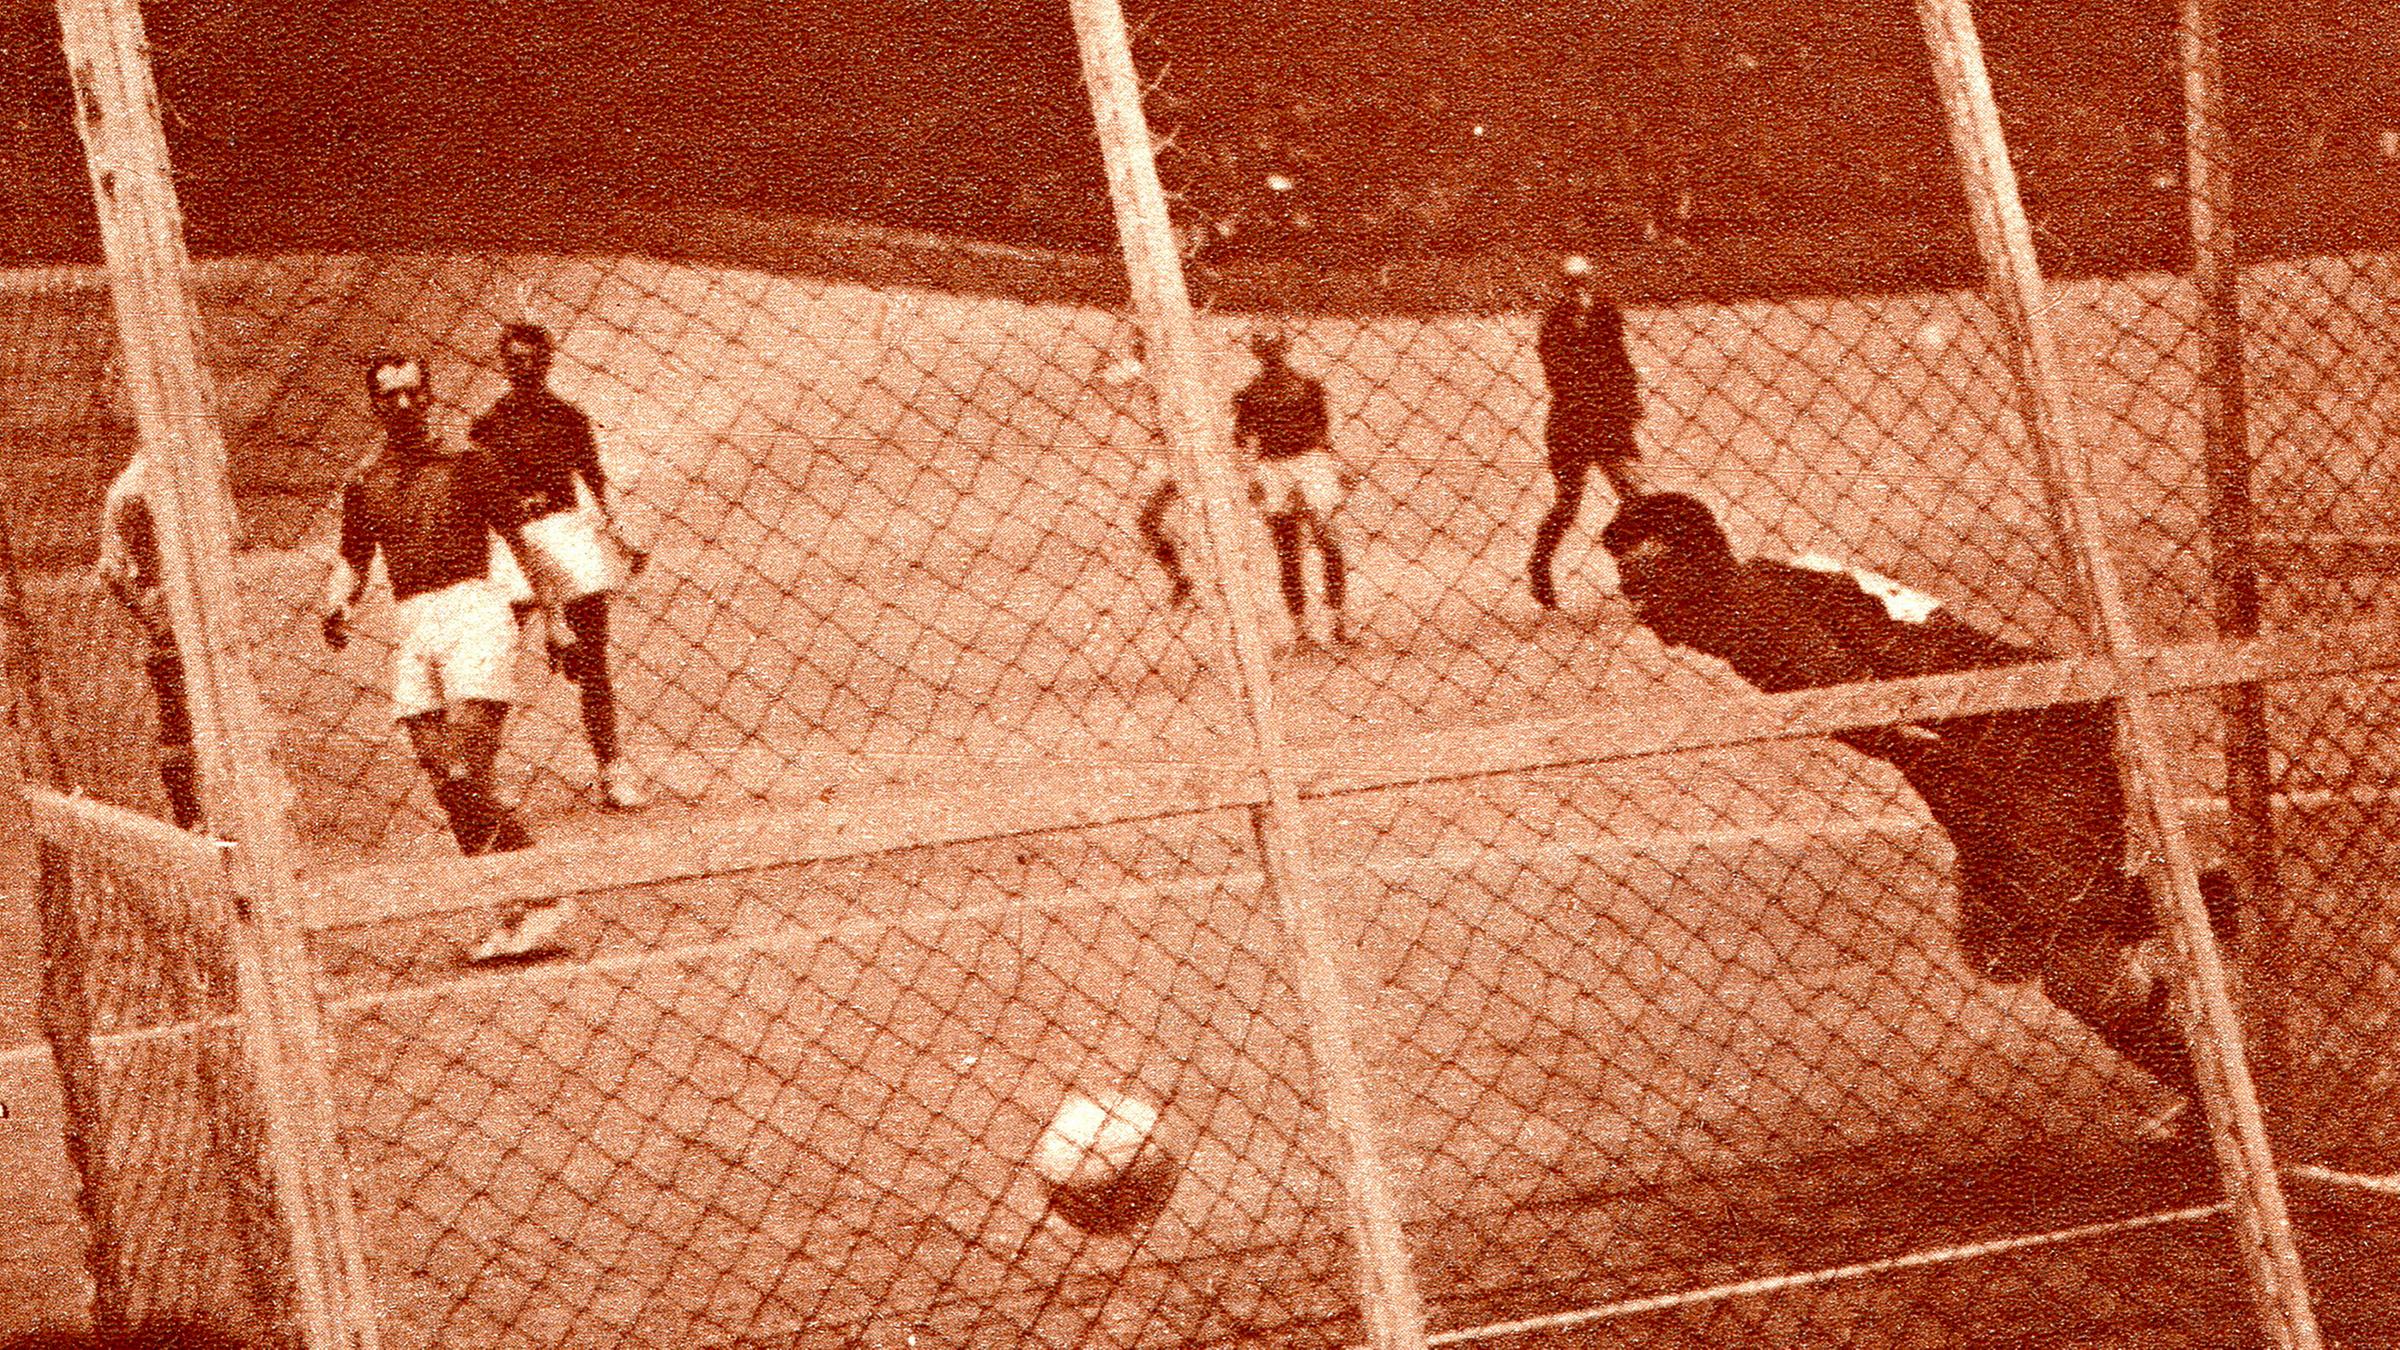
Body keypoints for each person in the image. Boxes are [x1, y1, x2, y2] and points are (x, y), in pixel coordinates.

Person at [1600, 492, 2238, 1138]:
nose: (1639, 606)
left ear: (1698, 568)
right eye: (1629, 588)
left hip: (2026, 747)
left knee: (2072, 966)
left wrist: (1994, 823)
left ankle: (2231, 1099)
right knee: (1999, 946)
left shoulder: (1755, 621)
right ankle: (2205, 905)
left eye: (1649, 584)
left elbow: (1897, 723)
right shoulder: (1760, 582)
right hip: (2018, 732)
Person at [323, 353, 573, 960]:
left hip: (474, 614)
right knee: (445, 780)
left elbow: (525, 544)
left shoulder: (468, 461)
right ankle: (513, 907)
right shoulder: (366, 481)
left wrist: (557, 621)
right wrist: (337, 601)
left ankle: (542, 893)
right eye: (390, 395)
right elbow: (354, 557)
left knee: (466, 767)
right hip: (414, 625)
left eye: (414, 392)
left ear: (429, 396)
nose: (404, 404)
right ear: (375, 405)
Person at [470, 323, 649, 811]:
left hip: (569, 539)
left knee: (593, 661)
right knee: (497, 657)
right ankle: (482, 780)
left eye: (531, 359)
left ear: (546, 362)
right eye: (513, 360)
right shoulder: (487, 426)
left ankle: (612, 769)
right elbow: (481, 497)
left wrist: (623, 536)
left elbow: (595, 482)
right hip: (515, 544)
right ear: (504, 364)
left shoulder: (569, 418)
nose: (522, 368)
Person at [1530, 255, 1646, 610]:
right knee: (1568, 503)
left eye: (1582, 282)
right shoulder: (1555, 323)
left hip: (1605, 420)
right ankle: (1540, 565)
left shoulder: (1605, 314)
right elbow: (1558, 375)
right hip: (1574, 421)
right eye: (1571, 283)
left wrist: (1627, 404)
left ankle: (1638, 576)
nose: (1577, 290)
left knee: (1634, 498)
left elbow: (1620, 361)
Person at [94, 457, 204, 830]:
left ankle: (197, 820)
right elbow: (112, 570)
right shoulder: (137, 489)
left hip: (197, 620)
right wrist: (156, 620)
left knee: (188, 725)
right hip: (177, 624)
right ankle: (192, 820)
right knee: (182, 727)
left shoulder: (190, 466)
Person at [1233, 330, 1354, 649]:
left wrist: (1336, 466)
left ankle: (1335, 622)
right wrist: (1252, 477)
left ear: (1284, 348)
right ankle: (1304, 629)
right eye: (1265, 348)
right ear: (1258, 352)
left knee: (1326, 543)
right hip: (1276, 468)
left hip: (1308, 463)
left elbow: (1322, 433)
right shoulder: (1250, 395)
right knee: (1289, 550)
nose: (1271, 353)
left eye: (1274, 346)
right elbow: (1243, 440)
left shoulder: (1307, 387)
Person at [1099, 331, 1196, 609]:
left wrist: (1105, 362)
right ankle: (1184, 578)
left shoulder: (1148, 368)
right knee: (1155, 519)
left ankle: (1182, 578)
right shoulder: (1178, 365)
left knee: (1148, 521)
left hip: (1175, 456)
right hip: (1184, 453)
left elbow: (1106, 378)